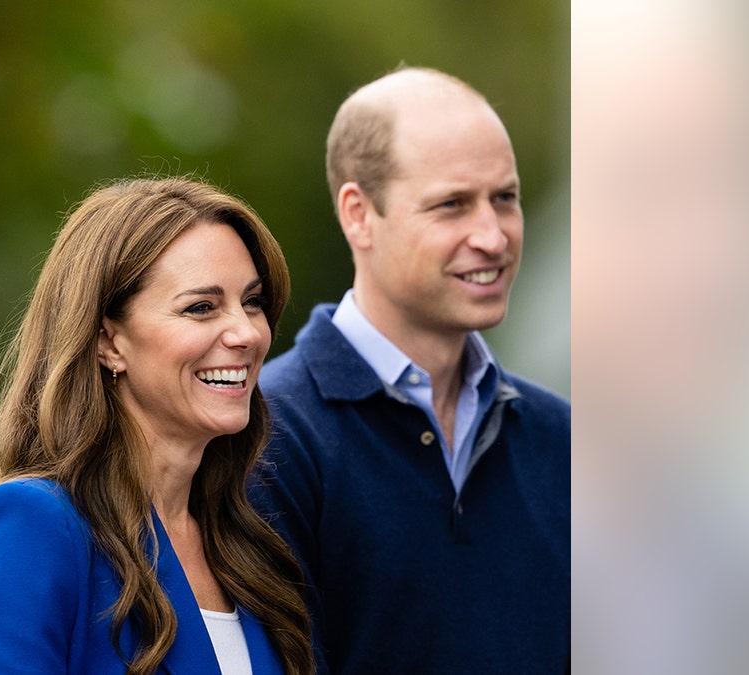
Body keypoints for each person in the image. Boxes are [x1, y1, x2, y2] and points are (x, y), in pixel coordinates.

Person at [249, 67, 570, 674]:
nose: (492, 236)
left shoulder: (567, 443)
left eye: (505, 198)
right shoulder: (267, 438)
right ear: (359, 214)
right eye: (452, 205)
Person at [0, 177, 314, 675]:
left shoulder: (247, 544)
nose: (247, 333)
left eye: (253, 301)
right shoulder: (36, 525)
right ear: (109, 342)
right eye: (201, 307)